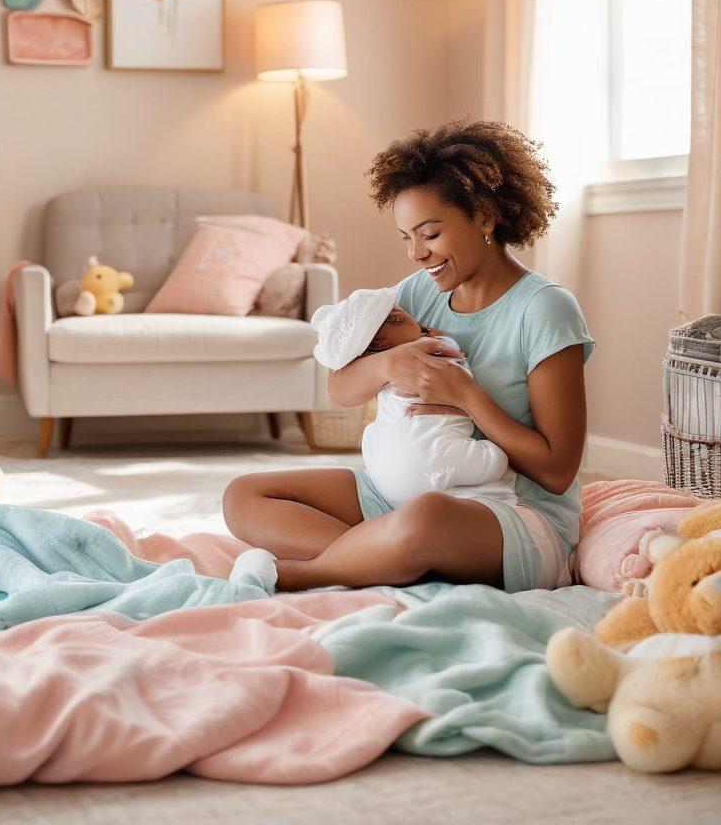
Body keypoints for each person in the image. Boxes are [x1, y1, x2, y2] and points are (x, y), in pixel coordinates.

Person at [222, 119, 594, 594]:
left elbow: (557, 472)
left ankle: (308, 573)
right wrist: (385, 365)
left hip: (511, 513)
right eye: (406, 237)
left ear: (484, 216)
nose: (417, 253)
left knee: (425, 518)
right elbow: (339, 388)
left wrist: (467, 396)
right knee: (244, 496)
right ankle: (383, 556)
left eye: (430, 234)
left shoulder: (545, 309)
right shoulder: (418, 293)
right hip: (402, 493)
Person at [312, 288, 512, 506]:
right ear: (381, 343)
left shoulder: (382, 373)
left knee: (372, 433)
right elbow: (453, 350)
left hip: (383, 476)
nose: (417, 321)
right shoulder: (426, 348)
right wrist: (434, 336)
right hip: (429, 462)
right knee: (498, 461)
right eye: (400, 317)